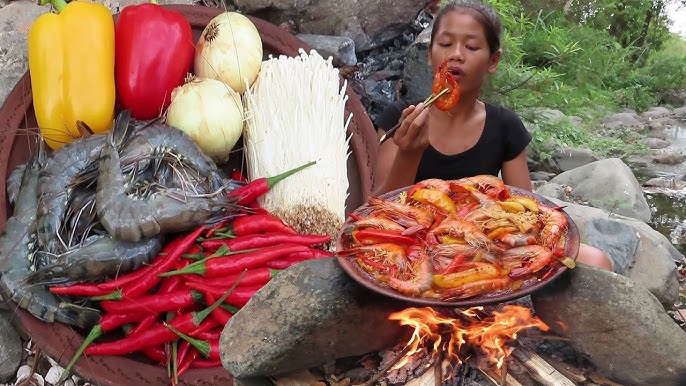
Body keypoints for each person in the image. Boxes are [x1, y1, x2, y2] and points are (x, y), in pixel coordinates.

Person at [373, 0, 613, 271]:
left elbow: (526, 211)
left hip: (483, 247)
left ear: (493, 60)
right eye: (445, 44)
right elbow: (380, 212)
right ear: (430, 55)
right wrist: (409, 153)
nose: (456, 55)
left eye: (472, 46)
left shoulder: (504, 126)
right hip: (412, 246)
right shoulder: (401, 118)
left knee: (598, 261)